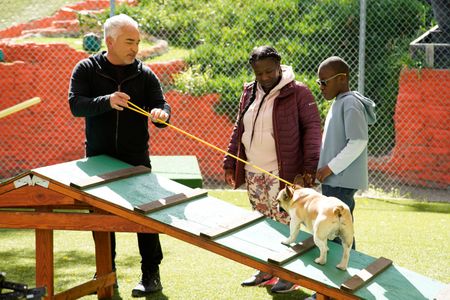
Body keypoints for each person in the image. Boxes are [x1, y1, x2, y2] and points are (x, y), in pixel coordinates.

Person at [68, 14, 170, 298]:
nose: (135, 48)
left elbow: (161, 105)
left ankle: (151, 275)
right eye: (129, 41)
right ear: (109, 41)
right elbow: (76, 105)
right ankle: (105, 272)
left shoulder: (145, 73)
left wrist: (162, 115)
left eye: (137, 42)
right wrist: (107, 101)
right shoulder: (86, 69)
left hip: (136, 157)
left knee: (145, 218)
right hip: (98, 159)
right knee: (100, 216)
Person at [223, 45, 321, 293]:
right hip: (253, 172)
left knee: (288, 223)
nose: (265, 77)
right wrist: (230, 161)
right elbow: (239, 128)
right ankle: (265, 270)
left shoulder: (298, 92)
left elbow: (312, 131)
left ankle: (292, 274)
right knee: (261, 222)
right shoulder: (248, 92)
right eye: (259, 73)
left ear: (279, 66)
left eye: (270, 71)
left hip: (284, 173)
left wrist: (309, 168)